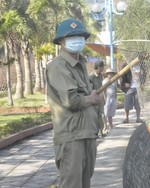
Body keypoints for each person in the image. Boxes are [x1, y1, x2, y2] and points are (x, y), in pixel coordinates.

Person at [46, 18, 102, 188]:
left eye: (80, 36)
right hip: (72, 135)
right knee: (72, 184)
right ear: (61, 41)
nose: (77, 40)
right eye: (71, 37)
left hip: (87, 132)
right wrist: (91, 99)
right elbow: (71, 100)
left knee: (85, 183)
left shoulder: (81, 64)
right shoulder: (58, 66)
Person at [89, 60, 108, 137]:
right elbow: (90, 90)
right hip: (93, 99)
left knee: (102, 115)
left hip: (100, 98)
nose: (103, 68)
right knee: (94, 116)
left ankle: (104, 132)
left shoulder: (100, 75)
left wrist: (104, 98)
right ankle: (95, 132)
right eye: (103, 67)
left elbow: (101, 87)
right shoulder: (91, 77)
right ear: (99, 67)